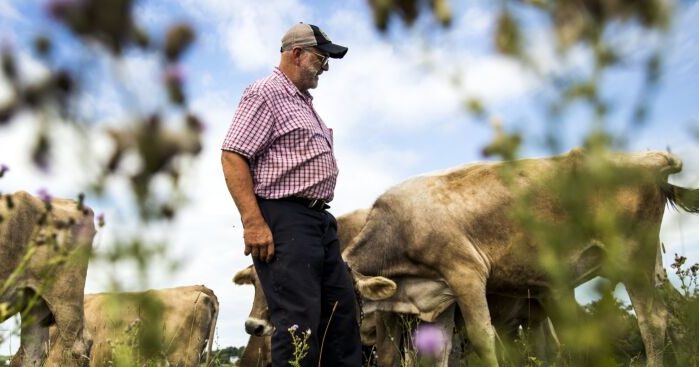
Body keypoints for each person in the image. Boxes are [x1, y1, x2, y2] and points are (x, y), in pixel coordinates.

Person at [220, 23, 360, 367]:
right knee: (299, 322)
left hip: (318, 220)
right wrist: (253, 221)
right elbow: (233, 154)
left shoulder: (302, 102)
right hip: (284, 217)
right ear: (296, 53)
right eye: (321, 58)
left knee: (341, 317)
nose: (325, 67)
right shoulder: (265, 93)